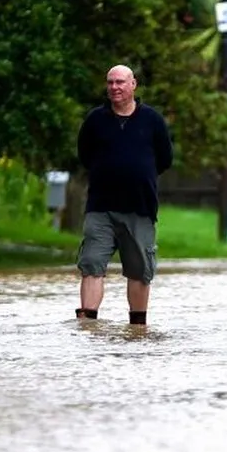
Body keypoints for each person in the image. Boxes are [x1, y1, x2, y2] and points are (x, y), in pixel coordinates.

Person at [75, 64, 174, 325]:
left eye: (120, 82)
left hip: (139, 207)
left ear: (133, 85)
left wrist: (138, 174)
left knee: (140, 270)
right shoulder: (95, 120)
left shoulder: (152, 120)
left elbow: (165, 159)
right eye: (110, 82)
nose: (114, 87)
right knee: (91, 264)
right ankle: (88, 325)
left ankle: (138, 327)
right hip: (100, 207)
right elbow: (85, 155)